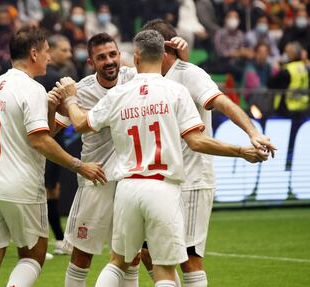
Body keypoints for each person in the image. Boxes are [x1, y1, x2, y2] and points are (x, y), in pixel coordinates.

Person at [55, 29, 269, 287]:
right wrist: (241, 151)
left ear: (134, 58)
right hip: (162, 187)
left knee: (118, 261)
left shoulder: (120, 93)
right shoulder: (176, 91)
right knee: (165, 270)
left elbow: (79, 123)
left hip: (127, 187)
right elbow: (196, 141)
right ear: (165, 56)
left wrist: (69, 100)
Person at [140, 19, 276, 287]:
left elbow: (224, 103)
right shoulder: (150, 80)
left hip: (193, 179)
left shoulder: (190, 73)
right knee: (146, 252)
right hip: (162, 180)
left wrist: (253, 133)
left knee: (189, 259)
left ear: (164, 49)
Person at [0, 26, 106, 287]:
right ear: (33, 53)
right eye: (46, 52)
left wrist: (51, 107)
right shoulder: (31, 89)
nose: (49, 57)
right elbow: (38, 140)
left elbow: (34, 133)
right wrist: (79, 165)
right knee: (34, 256)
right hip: (19, 186)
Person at [53, 32, 190, 287]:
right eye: (101, 57)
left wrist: (182, 52)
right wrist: (55, 107)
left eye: (113, 54)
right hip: (97, 180)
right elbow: (49, 132)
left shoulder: (132, 78)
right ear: (92, 62)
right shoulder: (81, 90)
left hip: (128, 180)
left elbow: (163, 69)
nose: (109, 61)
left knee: (132, 256)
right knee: (82, 255)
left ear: (123, 56)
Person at [35, 34, 74, 258]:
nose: (68, 55)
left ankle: (58, 238)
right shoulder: (53, 78)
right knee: (45, 190)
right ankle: (47, 239)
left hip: (51, 137)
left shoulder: (55, 75)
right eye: (64, 50)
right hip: (47, 137)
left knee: (51, 190)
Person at [269, 41, 310, 117]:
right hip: (303, 107)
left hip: (287, 109)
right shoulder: (305, 67)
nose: (285, 54)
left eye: (287, 52)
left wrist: (276, 69)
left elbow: (271, 84)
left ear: (292, 53)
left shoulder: (287, 70)